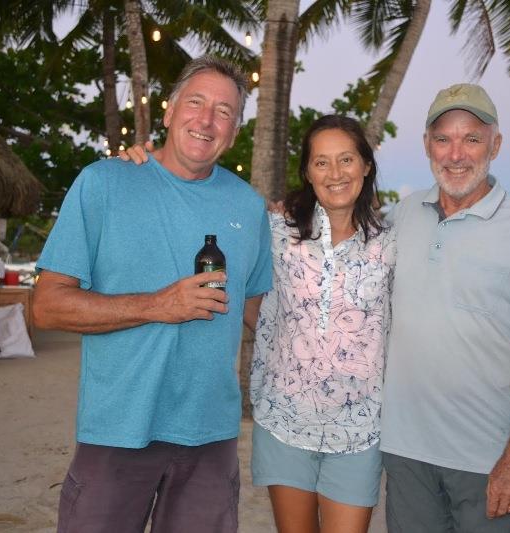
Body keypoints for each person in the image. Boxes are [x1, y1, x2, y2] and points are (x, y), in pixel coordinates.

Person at [122, 115, 396, 533]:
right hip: (283, 421)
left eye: (346, 160)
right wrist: (146, 167)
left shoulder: (392, 242)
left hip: (358, 427)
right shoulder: (276, 229)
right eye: (321, 163)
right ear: (307, 172)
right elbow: (203, 215)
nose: (335, 173)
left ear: (367, 166)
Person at [32, 56, 272, 533]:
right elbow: (47, 304)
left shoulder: (249, 204)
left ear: (235, 129)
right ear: (167, 111)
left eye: (223, 111)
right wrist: (158, 306)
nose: (206, 120)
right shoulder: (105, 183)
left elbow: (258, 310)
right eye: (196, 103)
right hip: (118, 428)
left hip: (211, 436)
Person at [379, 83, 510, 532]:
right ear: (426, 145)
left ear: (496, 145)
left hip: (488, 458)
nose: (456, 154)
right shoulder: (399, 218)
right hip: (406, 452)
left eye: (471, 138)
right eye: (443, 138)